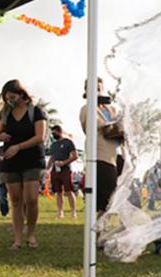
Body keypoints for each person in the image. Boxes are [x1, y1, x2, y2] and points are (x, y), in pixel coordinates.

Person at [0, 80, 46, 249]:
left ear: (21, 94)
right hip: (11, 161)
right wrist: (0, 137)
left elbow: (40, 137)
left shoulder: (36, 111)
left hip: (32, 160)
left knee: (31, 199)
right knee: (16, 201)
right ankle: (17, 238)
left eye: (12, 97)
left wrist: (18, 146)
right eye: (6, 98)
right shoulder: (4, 113)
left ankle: (30, 234)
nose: (10, 100)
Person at [79, 77, 122, 218]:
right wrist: (114, 127)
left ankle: (101, 233)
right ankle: (96, 235)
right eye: (93, 89)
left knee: (116, 199)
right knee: (105, 202)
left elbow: (122, 126)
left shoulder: (111, 109)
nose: (97, 92)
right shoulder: (86, 109)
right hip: (99, 157)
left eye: (99, 89)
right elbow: (97, 127)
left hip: (115, 157)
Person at [47, 125, 78, 218]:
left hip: (66, 170)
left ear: (60, 132)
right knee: (58, 192)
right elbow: (51, 158)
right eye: (52, 133)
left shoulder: (68, 142)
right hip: (55, 170)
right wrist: (47, 169)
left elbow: (75, 156)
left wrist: (64, 162)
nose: (53, 135)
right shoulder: (53, 145)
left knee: (69, 191)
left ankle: (73, 212)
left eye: (55, 133)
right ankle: (60, 212)